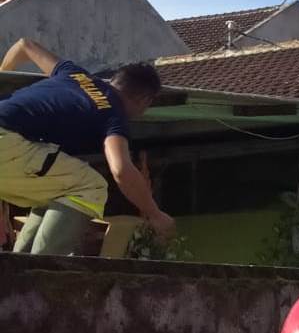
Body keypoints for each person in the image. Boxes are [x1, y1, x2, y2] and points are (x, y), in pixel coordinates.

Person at [0, 37, 174, 254]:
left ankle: (17, 265)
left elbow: (25, 45)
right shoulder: (112, 113)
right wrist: (155, 214)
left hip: (9, 140)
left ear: (114, 81)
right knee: (91, 186)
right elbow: (121, 170)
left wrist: (3, 74)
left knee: (57, 188)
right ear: (144, 100)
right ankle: (40, 268)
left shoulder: (74, 74)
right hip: (6, 141)